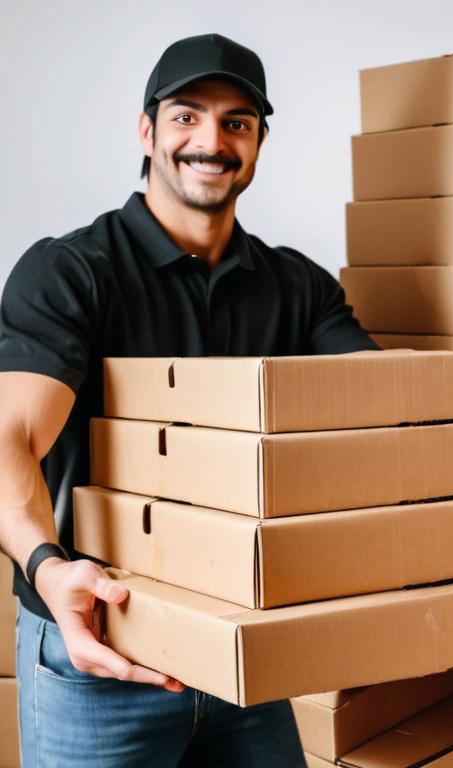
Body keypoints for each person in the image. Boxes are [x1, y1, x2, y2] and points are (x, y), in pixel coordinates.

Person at [0, 33, 377, 766]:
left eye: (237, 122)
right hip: (101, 648)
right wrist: (47, 566)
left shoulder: (296, 288)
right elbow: (9, 433)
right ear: (146, 131)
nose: (211, 140)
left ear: (260, 142)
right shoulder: (71, 272)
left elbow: (384, 409)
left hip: (247, 653)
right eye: (186, 116)